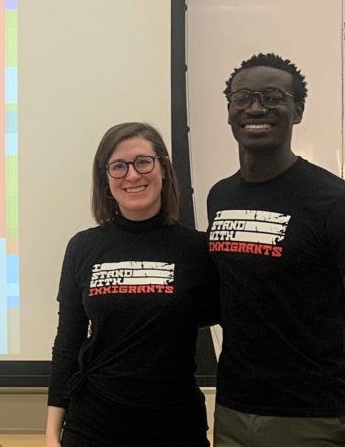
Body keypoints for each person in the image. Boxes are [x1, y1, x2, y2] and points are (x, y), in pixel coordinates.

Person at [208, 53, 345, 447]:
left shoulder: (340, 203)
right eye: (242, 98)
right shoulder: (219, 197)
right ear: (229, 112)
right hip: (231, 412)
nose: (256, 107)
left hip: (313, 418)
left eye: (273, 97)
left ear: (298, 110)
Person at [45, 122, 217, 447]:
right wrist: (53, 433)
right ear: (105, 178)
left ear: (163, 168)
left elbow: (247, 312)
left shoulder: (198, 250)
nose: (132, 175)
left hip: (175, 429)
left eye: (143, 161)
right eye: (118, 166)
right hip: (92, 428)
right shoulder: (83, 248)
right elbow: (68, 341)